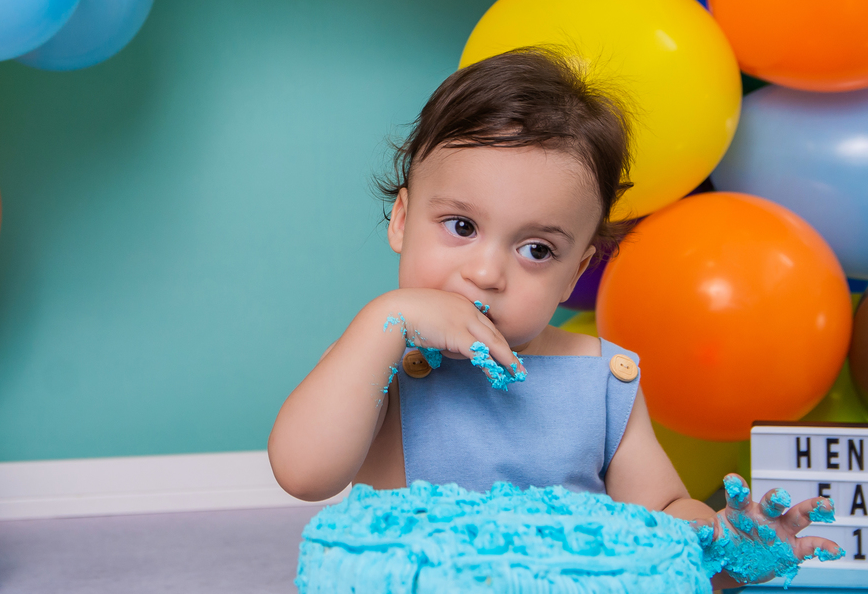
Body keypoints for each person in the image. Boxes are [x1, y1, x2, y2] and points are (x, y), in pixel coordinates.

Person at [267, 46, 841, 588]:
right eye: (461, 227)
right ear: (401, 220)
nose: (486, 273)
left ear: (574, 273)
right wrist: (388, 318)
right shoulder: (379, 355)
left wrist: (722, 545)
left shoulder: (600, 379)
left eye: (536, 250)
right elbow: (303, 473)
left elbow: (663, 512)